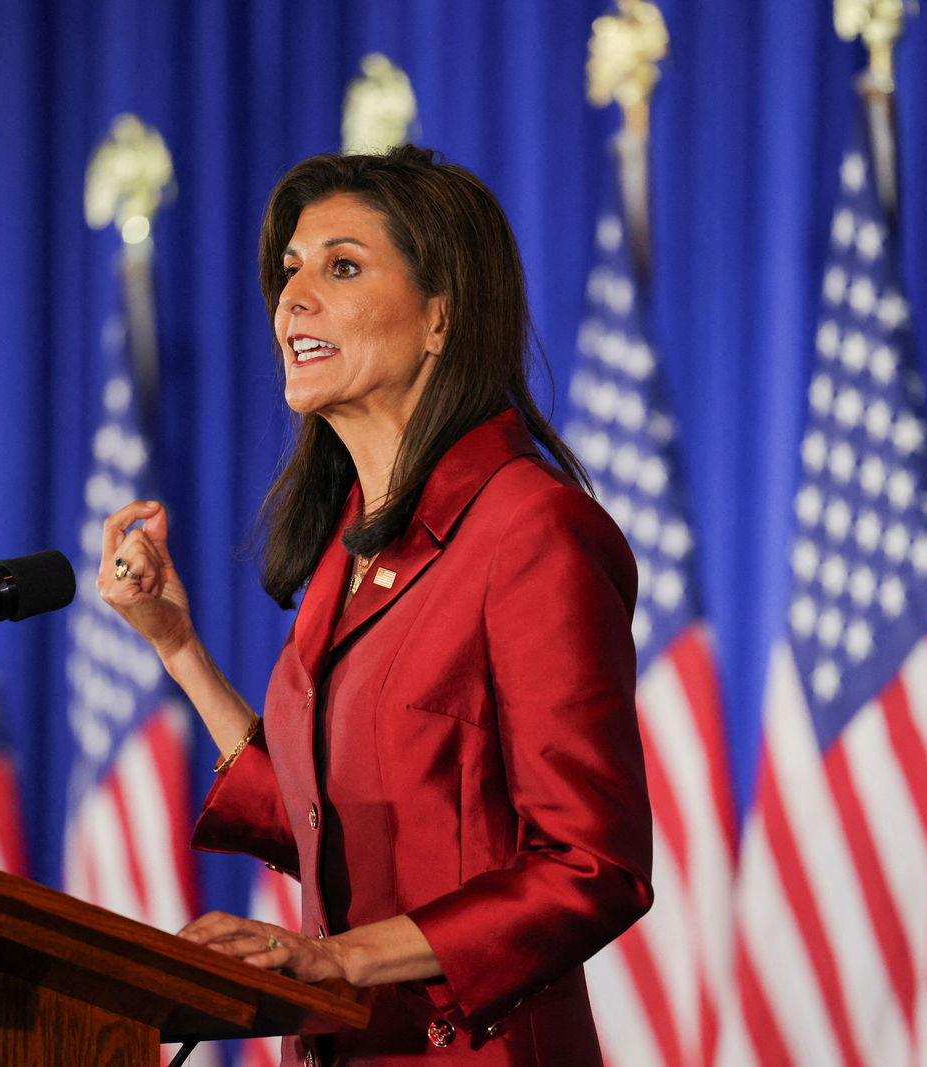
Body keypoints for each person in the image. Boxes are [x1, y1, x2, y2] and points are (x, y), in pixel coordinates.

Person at [99, 145, 651, 1065]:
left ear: (441, 317)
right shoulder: (353, 551)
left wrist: (334, 959)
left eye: (341, 266)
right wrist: (178, 648)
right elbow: (328, 824)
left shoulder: (532, 530)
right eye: (290, 271)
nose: (293, 299)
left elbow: (592, 866)